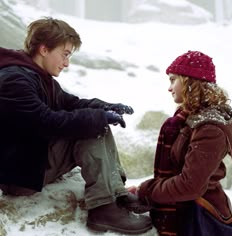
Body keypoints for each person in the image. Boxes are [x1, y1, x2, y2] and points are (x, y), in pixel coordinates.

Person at [0, 17, 152, 234]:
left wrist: (106, 107)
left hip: (31, 163)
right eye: (65, 54)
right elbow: (45, 122)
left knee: (95, 120)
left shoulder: (38, 77)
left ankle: (115, 193)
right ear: (44, 49)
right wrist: (98, 118)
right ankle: (103, 209)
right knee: (91, 128)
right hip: (19, 175)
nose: (67, 63)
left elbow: (72, 104)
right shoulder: (15, 79)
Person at [135, 50, 232, 235]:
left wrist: (145, 190)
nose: (169, 87)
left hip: (201, 219)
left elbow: (190, 185)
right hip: (187, 211)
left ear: (189, 81)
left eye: (173, 80)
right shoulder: (189, 118)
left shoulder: (209, 129)